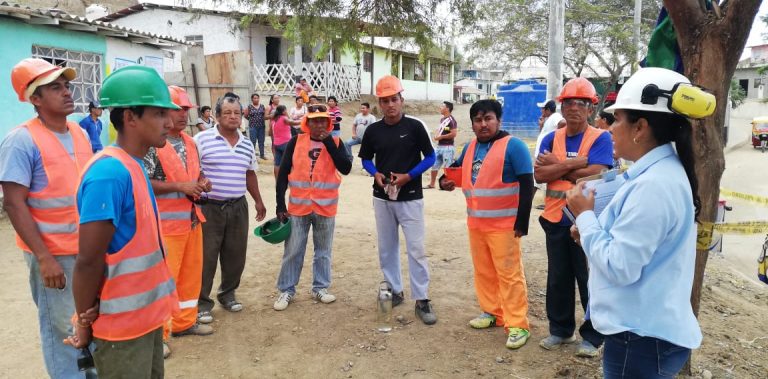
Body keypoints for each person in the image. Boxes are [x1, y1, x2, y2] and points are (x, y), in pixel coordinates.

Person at [565, 67, 703, 378]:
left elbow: (620, 267)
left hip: (640, 338)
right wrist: (590, 233)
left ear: (640, 127)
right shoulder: (658, 172)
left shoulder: (654, 185)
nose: (610, 127)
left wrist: (586, 216)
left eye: (616, 119)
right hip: (644, 333)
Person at [65, 65, 180, 378]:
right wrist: (84, 321)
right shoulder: (108, 174)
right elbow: (88, 261)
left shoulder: (134, 166)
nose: (169, 122)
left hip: (145, 319)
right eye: (158, 114)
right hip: (121, 329)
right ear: (130, 117)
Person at [1, 58, 94, 379]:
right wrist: (44, 257)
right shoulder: (21, 140)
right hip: (54, 255)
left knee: (87, 321)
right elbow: (13, 203)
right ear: (34, 99)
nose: (67, 92)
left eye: (66, 85)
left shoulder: (79, 133)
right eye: (55, 87)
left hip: (85, 251)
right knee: (62, 329)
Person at [438, 100, 534, 349]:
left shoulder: (514, 146)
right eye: (478, 120)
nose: (483, 124)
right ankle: (492, 312)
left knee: (509, 275)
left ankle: (517, 324)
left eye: (488, 118)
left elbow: (527, 184)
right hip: (477, 224)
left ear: (498, 120)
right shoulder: (470, 147)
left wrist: (522, 221)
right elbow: (458, 173)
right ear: (472, 123)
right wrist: (444, 182)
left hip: (504, 226)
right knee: (484, 272)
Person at [534, 77, 613, 357]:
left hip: (587, 221)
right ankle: (561, 330)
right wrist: (577, 164)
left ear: (591, 108)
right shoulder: (550, 137)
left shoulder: (601, 138)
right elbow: (540, 174)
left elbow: (598, 174)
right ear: (562, 106)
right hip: (556, 220)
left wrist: (559, 166)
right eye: (569, 103)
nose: (574, 108)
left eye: (581, 103)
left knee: (590, 279)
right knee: (558, 278)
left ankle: (593, 336)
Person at [358, 75, 437, 325]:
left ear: (402, 100)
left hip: (410, 196)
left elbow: (431, 158)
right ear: (379, 104)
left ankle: (422, 299)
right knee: (387, 248)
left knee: (416, 248)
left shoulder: (415, 127)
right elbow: (366, 159)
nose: (390, 105)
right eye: (385, 101)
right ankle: (395, 290)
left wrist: (409, 176)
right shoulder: (373, 130)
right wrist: (376, 174)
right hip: (382, 197)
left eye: (394, 99)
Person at [143, 86, 214, 359]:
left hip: (192, 221)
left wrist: (201, 182)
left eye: (185, 110)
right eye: (177, 109)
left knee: (189, 276)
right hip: (166, 226)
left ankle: (184, 322)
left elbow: (197, 173)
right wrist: (181, 186)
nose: (183, 115)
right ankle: (158, 335)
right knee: (163, 281)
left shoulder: (190, 142)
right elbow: (146, 181)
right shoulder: (153, 145)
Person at [194, 94, 267, 323]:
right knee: (206, 257)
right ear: (217, 116)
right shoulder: (201, 140)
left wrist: (258, 200)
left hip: (238, 207)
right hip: (210, 208)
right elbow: (192, 168)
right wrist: (200, 179)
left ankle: (228, 294)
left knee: (236, 254)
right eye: (227, 112)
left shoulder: (246, 144)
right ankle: (202, 303)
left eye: (236, 113)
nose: (233, 117)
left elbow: (249, 174)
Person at [273, 104, 352, 311]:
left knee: (323, 251)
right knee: (293, 249)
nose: (319, 124)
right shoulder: (295, 142)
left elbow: (346, 168)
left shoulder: (335, 141)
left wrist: (329, 143)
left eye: (322, 120)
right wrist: (280, 203)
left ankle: (320, 288)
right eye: (314, 120)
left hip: (325, 208)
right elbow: (282, 175)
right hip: (298, 208)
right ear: (307, 123)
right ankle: (286, 290)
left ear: (329, 122)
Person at [533, 100, 565, 209]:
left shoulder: (556, 116)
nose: (541, 110)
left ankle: (542, 203)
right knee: (539, 180)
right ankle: (544, 202)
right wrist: (541, 125)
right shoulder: (549, 119)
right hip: (542, 155)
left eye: (543, 108)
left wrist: (557, 138)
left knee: (539, 179)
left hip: (546, 155)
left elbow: (563, 123)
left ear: (547, 110)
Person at [426, 101, 457, 189]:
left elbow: (454, 134)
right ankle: (432, 184)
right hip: (439, 146)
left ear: (447, 109)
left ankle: (448, 185)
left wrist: (441, 137)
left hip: (448, 147)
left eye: (442, 106)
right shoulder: (442, 120)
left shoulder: (451, 120)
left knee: (447, 167)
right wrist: (437, 136)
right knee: (434, 165)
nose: (440, 108)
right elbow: (440, 130)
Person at [271, 104, 293, 178]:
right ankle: (287, 179)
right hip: (285, 143)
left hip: (276, 144)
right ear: (283, 111)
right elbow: (292, 122)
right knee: (289, 162)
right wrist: (303, 121)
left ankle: (277, 180)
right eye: (286, 110)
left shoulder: (275, 119)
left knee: (277, 163)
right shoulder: (284, 118)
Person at [244, 94, 267, 160]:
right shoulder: (249, 107)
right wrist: (251, 120)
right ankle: (252, 156)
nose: (256, 99)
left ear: (259, 99)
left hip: (261, 126)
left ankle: (262, 155)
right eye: (254, 98)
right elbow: (245, 115)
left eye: (257, 98)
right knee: (253, 141)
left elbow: (264, 115)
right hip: (253, 127)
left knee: (261, 141)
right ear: (252, 99)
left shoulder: (262, 106)